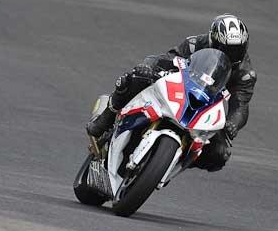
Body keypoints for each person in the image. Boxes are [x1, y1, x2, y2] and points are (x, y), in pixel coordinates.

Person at [86, 14, 257, 172]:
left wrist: (233, 123)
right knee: (136, 76)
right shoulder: (195, 44)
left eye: (237, 50)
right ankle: (107, 117)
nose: (231, 55)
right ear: (213, 40)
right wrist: (148, 67)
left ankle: (171, 162)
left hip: (205, 106)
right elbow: (166, 58)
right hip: (179, 87)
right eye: (225, 48)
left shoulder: (245, 74)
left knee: (220, 154)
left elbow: (240, 106)